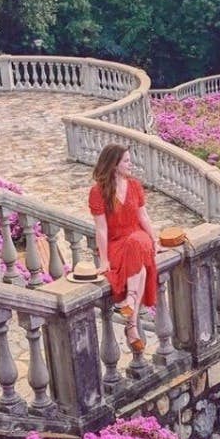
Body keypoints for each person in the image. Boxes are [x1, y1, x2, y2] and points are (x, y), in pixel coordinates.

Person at [88, 144, 159, 353]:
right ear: (114, 164)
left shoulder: (135, 186)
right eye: (126, 161)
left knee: (137, 243)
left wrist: (154, 240)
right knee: (141, 269)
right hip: (117, 243)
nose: (131, 164)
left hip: (138, 235)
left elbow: (143, 216)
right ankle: (132, 325)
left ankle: (130, 302)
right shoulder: (98, 192)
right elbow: (101, 229)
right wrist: (104, 260)